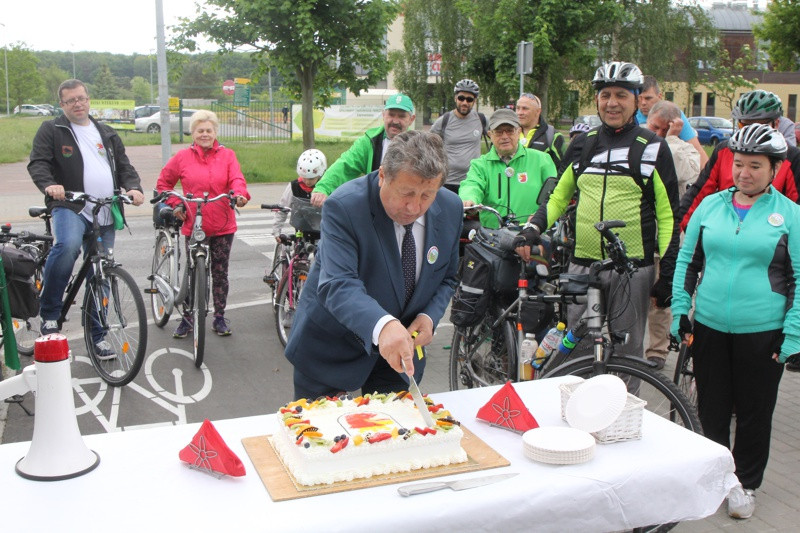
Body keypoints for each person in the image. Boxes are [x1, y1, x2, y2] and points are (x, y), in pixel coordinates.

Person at [670, 124, 800, 520]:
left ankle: (746, 483)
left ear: (775, 169)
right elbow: (686, 260)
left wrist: (793, 334)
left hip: (763, 331)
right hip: (709, 324)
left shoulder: (791, 215)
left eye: (755, 166)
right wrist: (680, 308)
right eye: (739, 164)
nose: (744, 173)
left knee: (754, 411)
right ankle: (714, 477)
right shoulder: (711, 206)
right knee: (711, 407)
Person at [515, 61, 680, 369]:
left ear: (635, 100)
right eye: (605, 95)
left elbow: (668, 215)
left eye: (621, 95)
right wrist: (533, 227)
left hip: (632, 269)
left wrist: (667, 273)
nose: (612, 102)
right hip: (583, 264)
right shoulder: (583, 144)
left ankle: (624, 416)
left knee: (627, 356)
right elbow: (558, 198)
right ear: (597, 99)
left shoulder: (653, 147)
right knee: (576, 352)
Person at [284, 130, 461, 400]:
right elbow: (338, 284)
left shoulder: (451, 208)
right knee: (320, 435)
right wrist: (383, 326)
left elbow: (447, 277)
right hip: (333, 346)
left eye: (427, 195)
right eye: (407, 193)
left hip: (400, 356)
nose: (414, 207)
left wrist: (428, 316)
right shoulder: (344, 206)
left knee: (394, 433)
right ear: (382, 176)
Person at [28, 79, 145, 358]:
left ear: (89, 99)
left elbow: (124, 166)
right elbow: (39, 163)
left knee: (102, 274)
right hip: (70, 206)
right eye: (71, 101)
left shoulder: (105, 131)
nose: (78, 104)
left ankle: (98, 336)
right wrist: (49, 185)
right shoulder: (52, 130)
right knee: (67, 246)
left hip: (105, 209)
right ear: (62, 104)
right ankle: (50, 314)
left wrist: (133, 187)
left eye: (81, 98)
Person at [156, 110, 250, 338]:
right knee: (191, 272)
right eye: (200, 130)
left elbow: (237, 178)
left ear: (215, 132)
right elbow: (164, 183)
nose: (205, 134)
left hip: (222, 224)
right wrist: (176, 203)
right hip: (193, 223)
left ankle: (219, 317)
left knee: (220, 272)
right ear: (193, 133)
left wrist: (239, 194)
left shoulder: (227, 155)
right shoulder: (182, 157)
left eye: (209, 130)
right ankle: (188, 318)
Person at [678, 90, 800, 233]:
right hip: (724, 233)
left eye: (759, 125)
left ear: (776, 124)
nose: (752, 132)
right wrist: (677, 233)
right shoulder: (723, 151)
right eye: (745, 126)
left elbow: (796, 210)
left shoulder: (792, 157)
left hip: (770, 240)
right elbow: (697, 194)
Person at [642, 100, 701, 369]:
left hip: (665, 237)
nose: (657, 133)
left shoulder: (685, 150)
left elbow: (685, 172)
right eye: (653, 127)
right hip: (638, 232)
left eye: (663, 129)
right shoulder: (638, 141)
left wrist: (672, 141)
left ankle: (657, 349)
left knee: (660, 299)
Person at [310, 94, 416, 206]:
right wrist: (323, 188)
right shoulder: (369, 141)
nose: (395, 121)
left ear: (411, 119)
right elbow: (345, 165)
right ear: (384, 114)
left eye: (401, 116)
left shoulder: (419, 146)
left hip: (407, 209)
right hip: (375, 207)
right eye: (391, 115)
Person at [459, 109, 556, 229]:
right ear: (490, 135)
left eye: (510, 131)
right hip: (493, 235)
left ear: (518, 132)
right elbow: (471, 184)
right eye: (499, 132)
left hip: (531, 233)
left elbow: (554, 195)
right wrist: (469, 199)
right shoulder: (480, 164)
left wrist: (540, 217)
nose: (505, 137)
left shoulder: (542, 160)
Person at [636, 75, 709, 167]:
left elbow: (698, 152)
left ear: (659, 96)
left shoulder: (674, 114)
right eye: (639, 98)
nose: (643, 103)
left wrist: (708, 177)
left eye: (648, 98)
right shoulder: (631, 116)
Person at [430, 79, 487, 194]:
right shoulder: (443, 121)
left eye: (469, 99)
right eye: (461, 98)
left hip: (472, 180)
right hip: (447, 181)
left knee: (471, 212)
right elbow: (428, 146)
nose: (465, 102)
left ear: (474, 101)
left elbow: (497, 138)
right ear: (455, 98)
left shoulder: (481, 120)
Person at [272, 148, 327, 239]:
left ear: (320, 175)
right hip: (301, 228)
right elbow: (283, 207)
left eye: (311, 179)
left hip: (321, 229)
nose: (307, 182)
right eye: (304, 178)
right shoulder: (294, 186)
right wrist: (276, 230)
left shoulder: (326, 188)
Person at [516, 93, 565, 169]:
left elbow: (562, 168)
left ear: (538, 111)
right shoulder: (508, 133)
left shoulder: (553, 136)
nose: (520, 113)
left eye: (525, 108)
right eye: (518, 108)